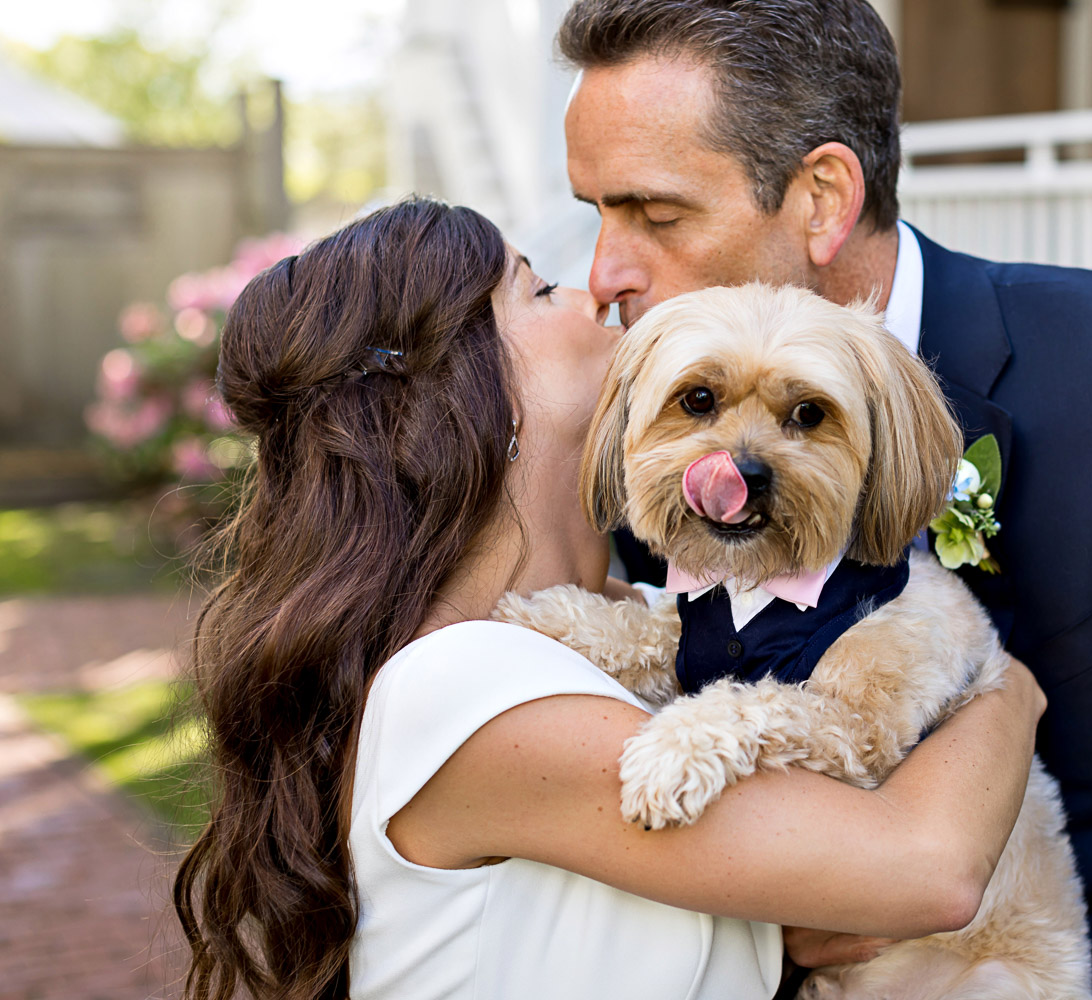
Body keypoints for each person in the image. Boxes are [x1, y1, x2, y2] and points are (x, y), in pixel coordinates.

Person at [556, 2, 1092, 997]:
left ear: (822, 199)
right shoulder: (662, 437)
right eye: (595, 213)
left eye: (656, 216)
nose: (604, 274)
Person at [170, 197, 1047, 1000]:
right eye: (541, 289)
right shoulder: (466, 689)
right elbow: (925, 866)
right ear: (467, 396)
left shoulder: (643, 626)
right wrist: (1006, 691)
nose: (596, 291)